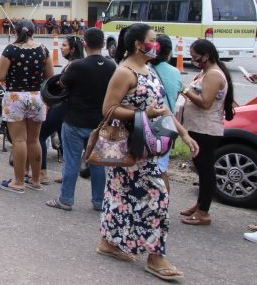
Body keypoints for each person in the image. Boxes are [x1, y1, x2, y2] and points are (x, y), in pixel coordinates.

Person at [97, 23, 198, 281]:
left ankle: (110, 242)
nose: (157, 44)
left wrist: (184, 133)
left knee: (126, 194)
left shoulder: (149, 68)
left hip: (148, 146)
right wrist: (143, 114)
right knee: (153, 195)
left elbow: (162, 108)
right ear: (139, 45)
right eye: (152, 40)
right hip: (126, 145)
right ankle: (155, 256)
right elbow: (108, 109)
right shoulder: (125, 72)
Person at [45, 27, 114, 212]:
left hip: (75, 121)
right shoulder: (111, 66)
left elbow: (61, 83)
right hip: (99, 123)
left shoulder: (77, 66)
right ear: (103, 43)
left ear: (85, 43)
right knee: (98, 164)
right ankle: (99, 201)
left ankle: (66, 199)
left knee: (72, 162)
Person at [176, 39, 234, 227]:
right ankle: (200, 204)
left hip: (207, 130)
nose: (193, 60)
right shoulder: (207, 71)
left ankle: (204, 212)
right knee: (201, 169)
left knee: (206, 169)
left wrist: (184, 89)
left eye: (195, 57)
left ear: (206, 55)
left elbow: (205, 102)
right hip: (199, 127)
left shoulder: (214, 74)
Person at [0, 19, 53, 192]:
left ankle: (18, 182)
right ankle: (36, 181)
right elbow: (50, 76)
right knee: (34, 139)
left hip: (15, 97)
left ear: (16, 32)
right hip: (37, 96)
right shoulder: (43, 49)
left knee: (19, 140)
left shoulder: (11, 50)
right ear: (33, 32)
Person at [39, 35, 84, 184]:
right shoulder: (77, 63)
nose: (61, 48)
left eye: (64, 45)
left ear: (72, 49)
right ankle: (67, 174)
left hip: (62, 107)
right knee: (65, 142)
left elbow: (63, 85)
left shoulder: (73, 65)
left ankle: (42, 172)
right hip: (69, 108)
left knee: (40, 135)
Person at [151, 34, 183, 193]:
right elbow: (175, 96)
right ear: (169, 53)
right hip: (167, 126)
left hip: (145, 125)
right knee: (161, 170)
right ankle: (163, 208)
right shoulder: (175, 72)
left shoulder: (145, 69)